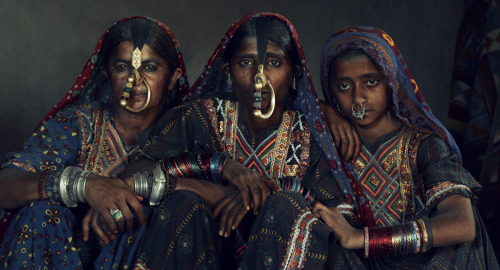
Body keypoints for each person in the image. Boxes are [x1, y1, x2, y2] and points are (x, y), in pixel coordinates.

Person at [129, 12, 359, 270]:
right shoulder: (201, 116)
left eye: (273, 62)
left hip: (278, 257)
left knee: (287, 205)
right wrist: (221, 167)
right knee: (183, 203)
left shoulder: (308, 134)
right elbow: (135, 172)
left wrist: (263, 195)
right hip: (202, 253)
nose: (258, 79)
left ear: (294, 72)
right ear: (228, 71)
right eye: (246, 62)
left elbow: (342, 214)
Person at [0, 16, 189, 269]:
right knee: (40, 212)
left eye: (150, 67)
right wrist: (83, 185)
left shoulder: (189, 131)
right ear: (105, 71)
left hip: (145, 256)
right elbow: (5, 186)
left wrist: (128, 195)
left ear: (173, 76)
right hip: (68, 255)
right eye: (122, 67)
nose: (135, 81)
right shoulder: (78, 124)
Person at [315, 26, 499, 268]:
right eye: (344, 86)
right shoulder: (329, 148)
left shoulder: (424, 144)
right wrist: (320, 108)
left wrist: (362, 239)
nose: (358, 97)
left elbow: (462, 225)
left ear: (391, 82)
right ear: (331, 91)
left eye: (371, 82)